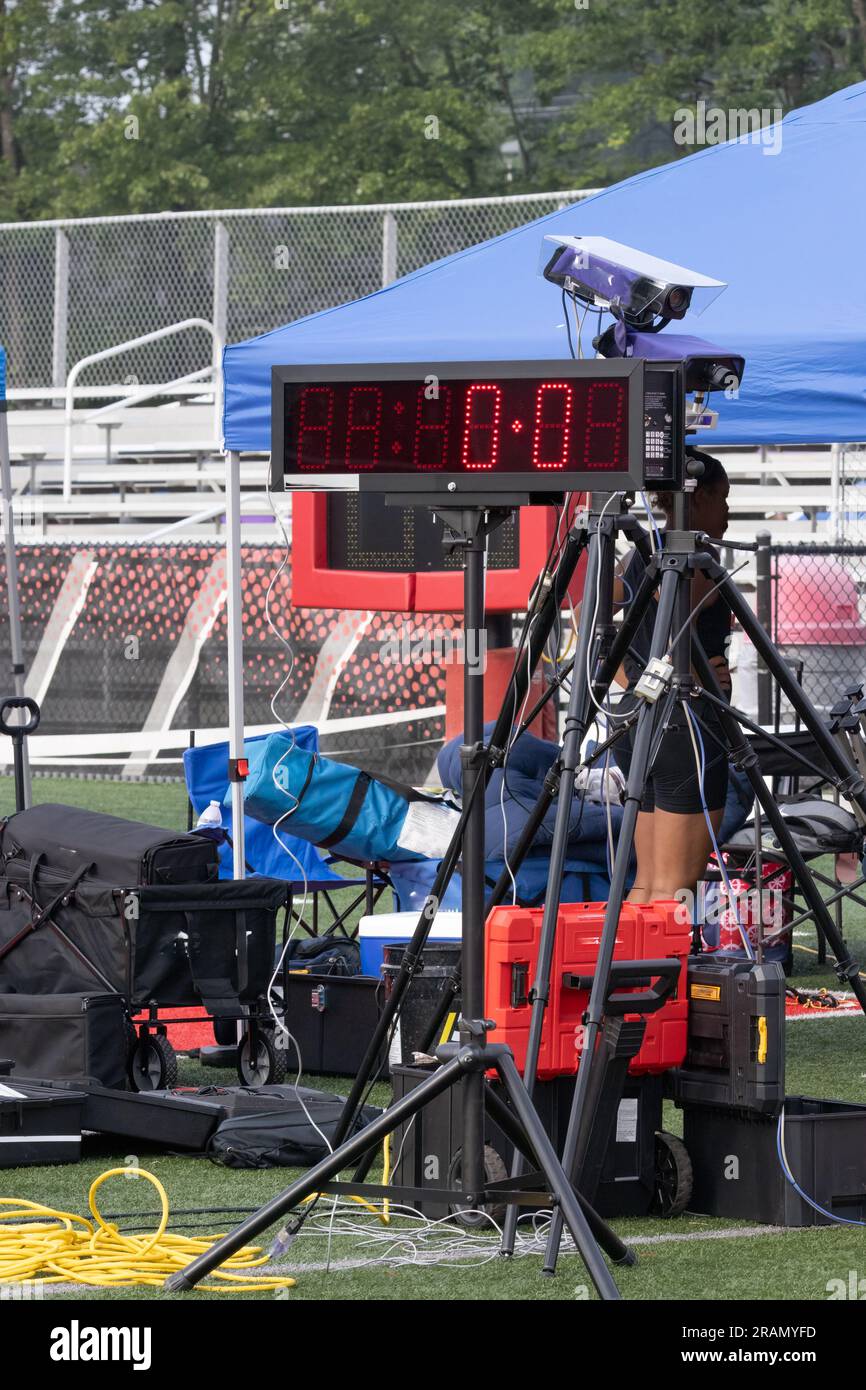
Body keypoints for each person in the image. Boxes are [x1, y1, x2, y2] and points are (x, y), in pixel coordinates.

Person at [609, 449, 732, 905]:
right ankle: (663, 977)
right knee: (674, 890)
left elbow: (586, 612)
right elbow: (681, 627)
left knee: (647, 882)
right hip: (686, 726)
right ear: (696, 498)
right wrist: (701, 676)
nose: (728, 512)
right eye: (722, 498)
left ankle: (623, 975)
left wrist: (629, 679)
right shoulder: (697, 557)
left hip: (633, 719)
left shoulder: (641, 554)